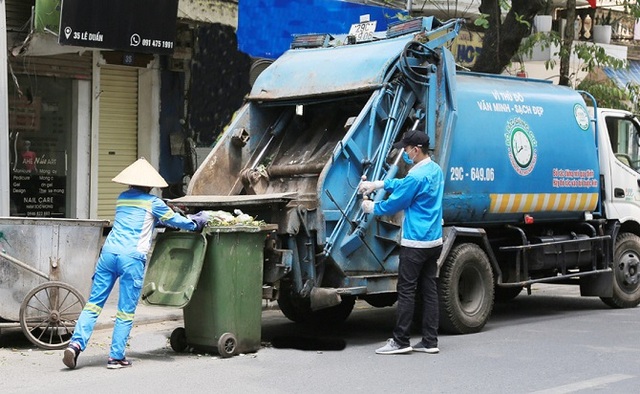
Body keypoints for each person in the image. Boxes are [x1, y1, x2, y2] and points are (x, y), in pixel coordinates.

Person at [62, 158, 209, 370]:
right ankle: (115, 357)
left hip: (109, 254)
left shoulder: (122, 199)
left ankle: (75, 345)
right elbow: (175, 220)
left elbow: (140, 220)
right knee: (125, 310)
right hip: (131, 258)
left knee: (94, 304)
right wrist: (195, 223)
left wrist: (157, 221)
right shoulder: (153, 202)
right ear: (150, 185)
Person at [359, 128, 444, 355]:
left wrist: (372, 207)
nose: (404, 153)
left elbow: (395, 203)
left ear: (415, 150)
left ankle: (401, 341)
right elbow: (406, 185)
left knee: (406, 290)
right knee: (429, 290)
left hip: (415, 242)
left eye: (406, 149)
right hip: (434, 241)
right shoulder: (435, 170)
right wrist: (378, 184)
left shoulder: (416, 176)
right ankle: (429, 341)